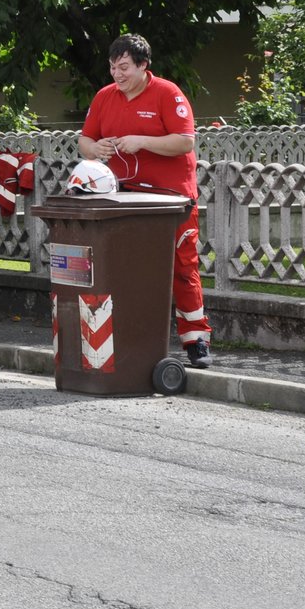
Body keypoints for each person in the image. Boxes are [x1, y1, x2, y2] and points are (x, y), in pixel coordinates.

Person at [78, 33, 212, 368]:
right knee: (127, 269)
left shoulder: (168, 93)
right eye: (112, 67)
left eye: (124, 67)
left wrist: (142, 141)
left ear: (143, 65)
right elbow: (85, 140)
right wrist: (95, 150)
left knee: (182, 267)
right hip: (124, 198)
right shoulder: (105, 96)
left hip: (171, 199)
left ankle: (196, 340)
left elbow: (184, 142)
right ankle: (130, 338)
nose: (117, 74)